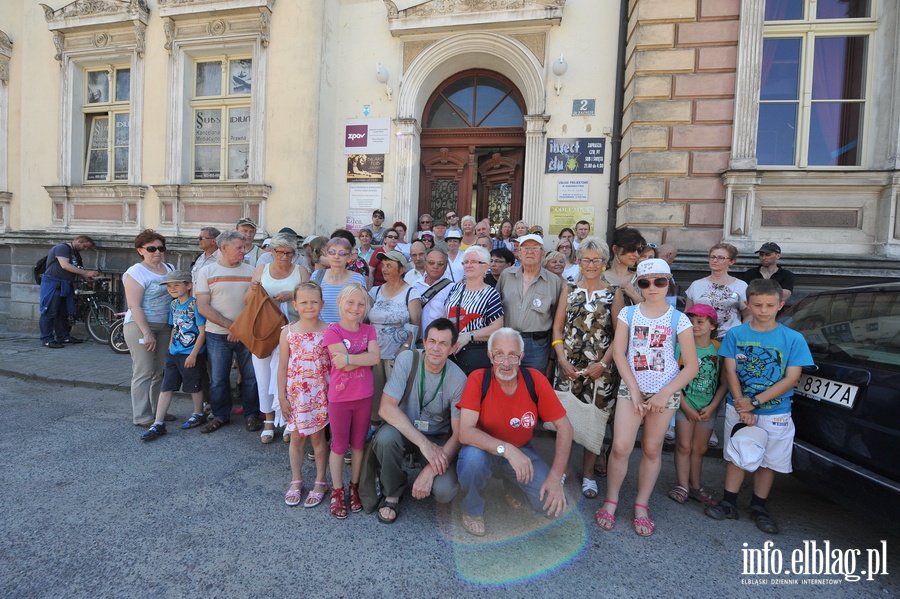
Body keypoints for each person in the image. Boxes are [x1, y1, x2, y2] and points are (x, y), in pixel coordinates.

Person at [596, 258, 698, 537]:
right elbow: (619, 353)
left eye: (659, 281)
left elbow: (691, 365)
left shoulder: (680, 319)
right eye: (645, 282)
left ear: (669, 282)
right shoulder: (628, 315)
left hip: (664, 394)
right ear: (638, 285)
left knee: (652, 449)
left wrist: (665, 393)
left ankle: (641, 505)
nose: (652, 287)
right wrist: (635, 389)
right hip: (632, 390)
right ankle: (612, 500)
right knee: (620, 447)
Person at [705, 279, 813, 534]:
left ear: (781, 305)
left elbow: (792, 378)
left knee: (768, 462)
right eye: (757, 305)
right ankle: (729, 501)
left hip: (775, 411)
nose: (763, 310)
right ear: (748, 304)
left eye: (769, 305)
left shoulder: (793, 338)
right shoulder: (736, 334)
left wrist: (754, 403)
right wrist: (743, 406)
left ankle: (759, 506)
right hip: (739, 406)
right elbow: (730, 371)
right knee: (736, 455)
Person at [456, 328, 574, 536]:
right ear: (490, 356)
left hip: (521, 451)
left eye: (512, 355)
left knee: (552, 508)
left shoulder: (535, 379)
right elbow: (465, 432)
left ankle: (511, 486)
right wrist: (508, 450)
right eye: (499, 354)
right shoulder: (478, 379)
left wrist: (555, 478)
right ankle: (472, 508)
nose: (506, 362)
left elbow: (565, 427)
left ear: (521, 357)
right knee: (471, 460)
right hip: (485, 451)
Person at [371, 318, 467, 523]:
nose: (435, 348)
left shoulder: (458, 379)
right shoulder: (407, 359)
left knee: (444, 491)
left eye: (443, 343)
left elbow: (460, 434)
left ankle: (424, 474)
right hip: (404, 429)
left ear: (453, 348)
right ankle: (392, 492)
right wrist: (423, 444)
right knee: (386, 438)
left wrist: (430, 470)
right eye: (432, 341)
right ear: (423, 341)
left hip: (438, 435)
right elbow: (386, 407)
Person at [552, 238, 623, 499]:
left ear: (604, 263)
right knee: (566, 422)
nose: (591, 264)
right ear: (579, 261)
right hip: (568, 366)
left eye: (596, 260)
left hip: (601, 370)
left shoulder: (614, 293)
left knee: (594, 421)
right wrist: (561, 359)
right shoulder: (568, 290)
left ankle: (589, 475)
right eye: (586, 259)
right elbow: (558, 328)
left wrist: (603, 364)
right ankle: (561, 470)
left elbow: (619, 335)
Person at [194, 231, 262, 433]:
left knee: (250, 377)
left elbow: (257, 305)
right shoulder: (206, 272)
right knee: (219, 379)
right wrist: (232, 327)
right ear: (223, 248)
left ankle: (252, 415)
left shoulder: (252, 271)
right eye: (239, 247)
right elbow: (203, 306)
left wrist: (240, 328)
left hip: (247, 333)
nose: (243, 251)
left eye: (244, 247)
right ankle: (220, 415)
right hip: (217, 334)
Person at [324, 283, 380, 519]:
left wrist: (349, 358)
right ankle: (337, 490)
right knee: (339, 446)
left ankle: (354, 486)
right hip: (340, 398)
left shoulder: (369, 330)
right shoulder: (333, 331)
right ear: (340, 303)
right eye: (350, 302)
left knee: (358, 445)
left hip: (363, 396)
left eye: (360, 304)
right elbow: (338, 364)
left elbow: (375, 357)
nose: (355, 308)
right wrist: (361, 358)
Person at [246, 234, 308, 444]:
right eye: (280, 252)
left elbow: (310, 300)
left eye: (289, 252)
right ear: (272, 252)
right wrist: (254, 291)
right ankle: (269, 422)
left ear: (294, 254)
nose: (284, 256)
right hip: (263, 331)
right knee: (263, 377)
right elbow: (247, 301)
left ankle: (289, 422)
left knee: (289, 379)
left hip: (292, 331)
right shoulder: (261, 270)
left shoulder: (301, 272)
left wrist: (293, 294)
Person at [277, 282, 331, 508]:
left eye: (314, 302)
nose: (309, 306)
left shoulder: (330, 331)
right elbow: (282, 366)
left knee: (318, 439)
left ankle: (321, 481)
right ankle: (296, 480)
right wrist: (281, 397)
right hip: (297, 396)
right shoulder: (287, 333)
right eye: (304, 302)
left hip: (320, 396)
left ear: (322, 304)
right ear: (295, 305)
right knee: (297, 437)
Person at [667, 304, 726, 507]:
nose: (695, 326)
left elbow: (724, 382)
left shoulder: (718, 349)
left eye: (700, 322)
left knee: (699, 448)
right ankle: (682, 485)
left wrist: (712, 407)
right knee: (683, 446)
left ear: (712, 325)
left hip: (708, 406)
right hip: (686, 403)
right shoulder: (680, 347)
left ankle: (695, 486)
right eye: (690, 322)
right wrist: (686, 407)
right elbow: (672, 379)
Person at [140, 271, 207, 441]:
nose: (172, 289)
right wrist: (170, 349)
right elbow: (174, 328)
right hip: (174, 352)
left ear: (188, 285)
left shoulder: (195, 305)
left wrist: (193, 354)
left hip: (190, 353)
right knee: (166, 386)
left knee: (193, 385)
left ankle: (199, 413)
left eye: (177, 285)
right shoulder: (174, 304)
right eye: (169, 286)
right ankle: (158, 422)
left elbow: (202, 331)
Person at [123, 230, 176, 426]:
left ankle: (158, 411)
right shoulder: (136, 272)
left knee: (160, 371)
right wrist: (146, 333)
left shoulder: (170, 268)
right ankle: (142, 415)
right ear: (140, 250)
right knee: (143, 371)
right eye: (151, 248)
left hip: (164, 326)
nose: (157, 252)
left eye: (161, 248)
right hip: (139, 325)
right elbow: (134, 305)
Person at [368, 250, 422, 423]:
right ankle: (375, 432)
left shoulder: (411, 293)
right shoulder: (374, 292)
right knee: (375, 396)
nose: (384, 269)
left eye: (389, 265)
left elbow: (416, 326)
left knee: (396, 398)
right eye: (383, 265)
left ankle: (395, 432)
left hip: (398, 356)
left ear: (401, 269)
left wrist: (405, 348)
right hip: (375, 355)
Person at [496, 234, 562, 373]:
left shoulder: (554, 281)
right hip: (508, 342)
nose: (530, 251)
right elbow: (496, 312)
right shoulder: (506, 276)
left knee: (533, 387)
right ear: (519, 253)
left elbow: (558, 322)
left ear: (543, 254)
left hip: (538, 347)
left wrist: (552, 358)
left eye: (535, 248)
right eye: (525, 248)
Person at [446, 246, 505, 375]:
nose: (468, 265)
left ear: (485, 266)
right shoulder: (456, 288)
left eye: (473, 262)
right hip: (451, 352)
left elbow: (497, 327)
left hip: (475, 354)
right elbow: (446, 316)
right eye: (466, 262)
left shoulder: (490, 293)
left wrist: (469, 336)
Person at [38, 235, 99, 348]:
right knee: (49, 311)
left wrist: (88, 276)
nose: (85, 249)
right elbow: (65, 265)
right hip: (53, 284)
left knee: (63, 312)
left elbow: (79, 270)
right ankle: (47, 339)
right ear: (79, 241)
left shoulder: (76, 254)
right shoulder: (62, 248)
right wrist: (86, 273)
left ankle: (63, 337)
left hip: (65, 284)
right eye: (84, 246)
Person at [685, 243, 748, 341]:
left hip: (731, 337)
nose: (715, 260)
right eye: (712, 257)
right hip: (701, 337)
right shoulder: (696, 285)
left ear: (731, 261)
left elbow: (748, 315)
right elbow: (687, 314)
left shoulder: (741, 286)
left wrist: (743, 334)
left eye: (720, 258)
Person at [413, 249, 453, 343]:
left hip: (439, 342)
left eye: (440, 264)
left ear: (446, 266)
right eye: (431, 263)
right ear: (425, 264)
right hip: (417, 340)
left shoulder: (453, 288)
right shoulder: (415, 286)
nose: (435, 267)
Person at [602, 227, 646, 307]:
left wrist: (634, 295)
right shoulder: (599, 278)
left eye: (639, 250)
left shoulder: (640, 279)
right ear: (615, 249)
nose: (636, 255)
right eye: (631, 249)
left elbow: (651, 311)